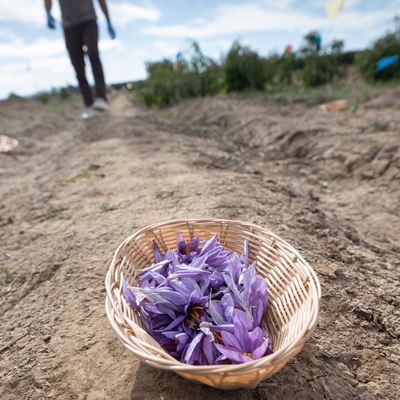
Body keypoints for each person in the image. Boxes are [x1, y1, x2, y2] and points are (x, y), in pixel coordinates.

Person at [44, 0, 116, 119]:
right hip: (69, 26)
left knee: (93, 54)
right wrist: (47, 13)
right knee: (78, 67)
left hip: (89, 20)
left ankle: (101, 98)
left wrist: (108, 20)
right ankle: (88, 105)